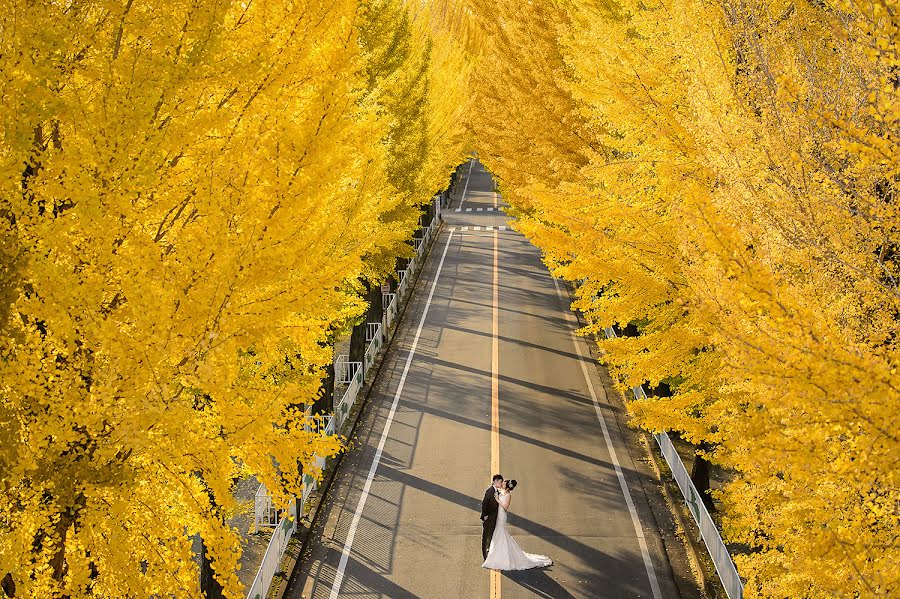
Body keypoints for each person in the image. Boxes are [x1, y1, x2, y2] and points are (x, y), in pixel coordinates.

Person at [481, 480, 552, 570]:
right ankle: (497, 553)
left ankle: (499, 556)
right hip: (497, 514)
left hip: (502, 515)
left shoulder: (508, 495)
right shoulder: (501, 491)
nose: (502, 484)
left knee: (500, 532)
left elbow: (505, 507)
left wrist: (497, 500)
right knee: (497, 533)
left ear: (507, 486)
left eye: (503, 483)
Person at [481, 474, 504, 559]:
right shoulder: (490, 491)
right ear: (496, 481)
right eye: (500, 482)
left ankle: (490, 552)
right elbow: (484, 504)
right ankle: (485, 556)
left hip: (494, 518)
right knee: (486, 537)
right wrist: (485, 516)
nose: (501, 484)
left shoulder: (496, 491)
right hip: (489, 518)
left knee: (491, 536)